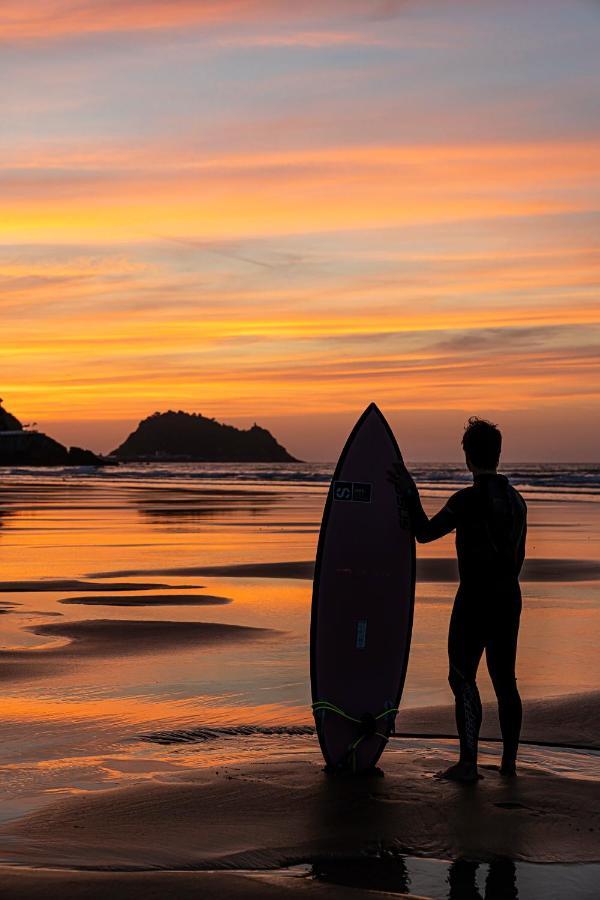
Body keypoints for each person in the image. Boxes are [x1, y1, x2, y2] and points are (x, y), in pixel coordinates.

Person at [389, 417, 527, 783]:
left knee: (462, 677)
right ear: (498, 454)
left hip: (475, 599)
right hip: (509, 597)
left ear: (468, 458)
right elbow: (519, 557)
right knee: (505, 681)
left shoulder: (466, 501)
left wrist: (410, 492)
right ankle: (508, 765)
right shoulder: (518, 502)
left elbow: (423, 532)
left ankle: (468, 764)